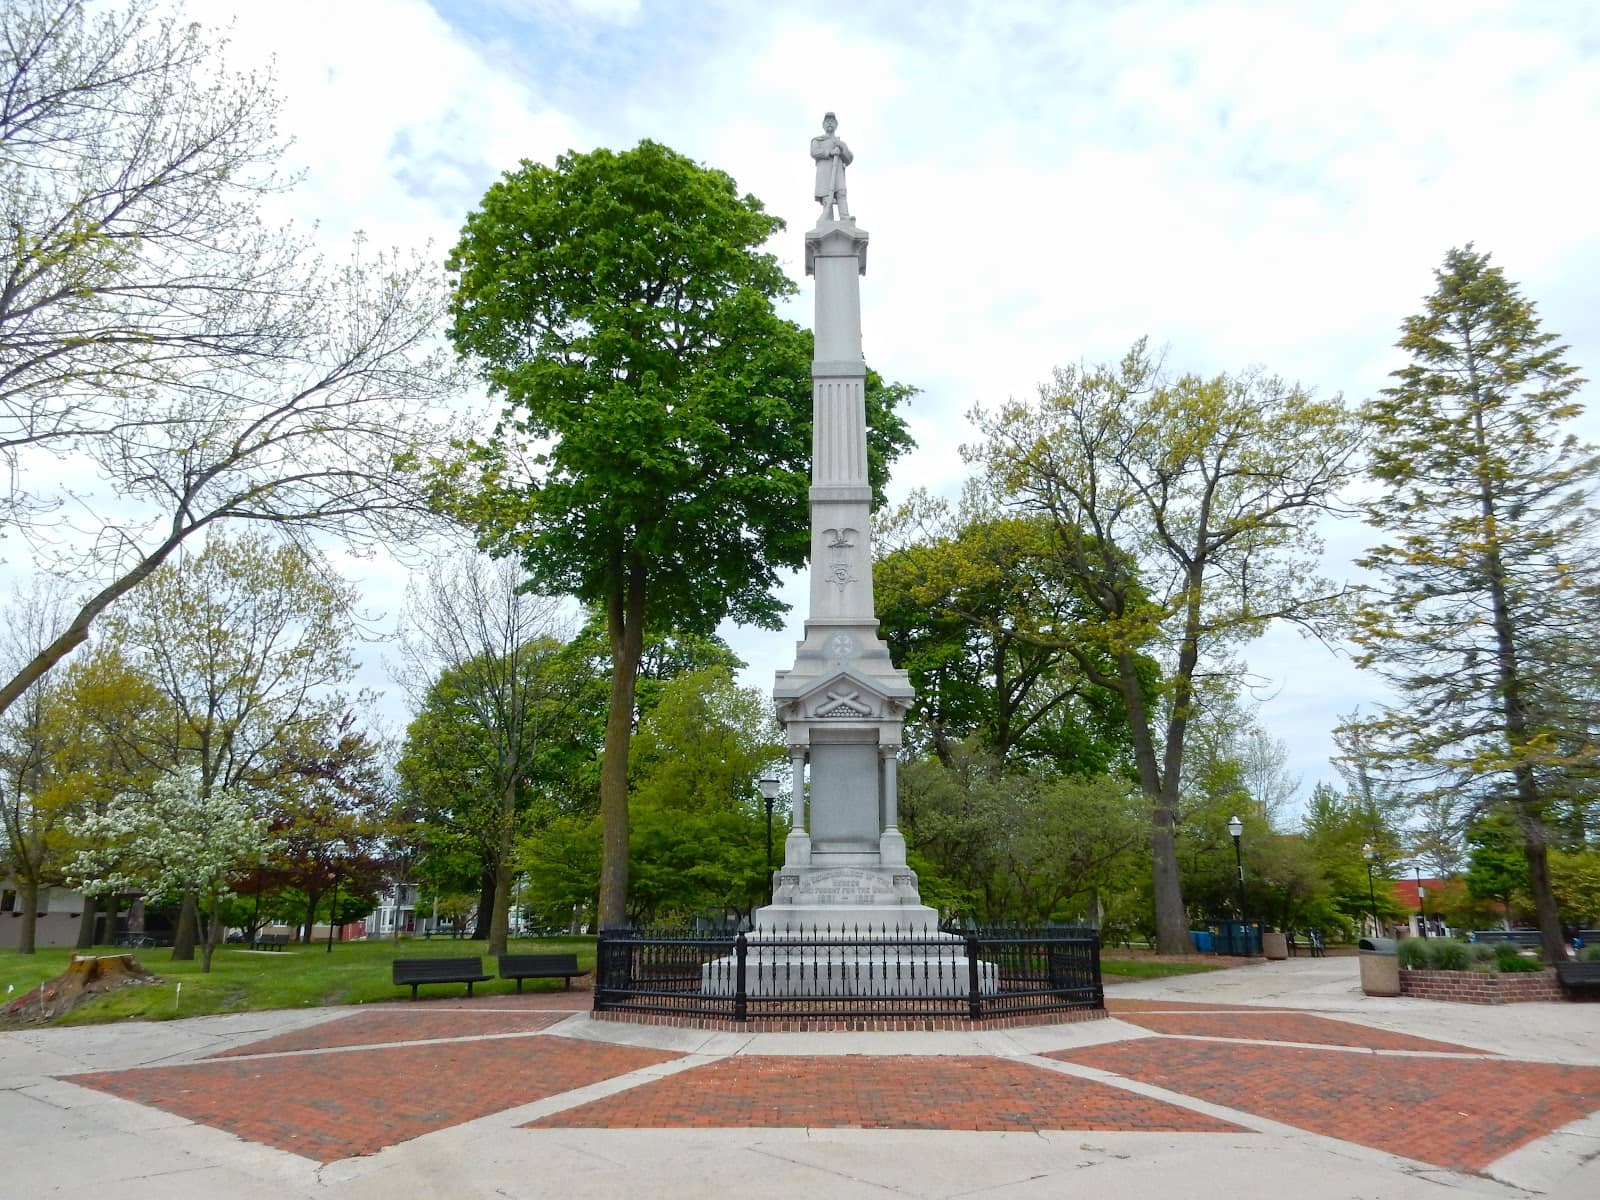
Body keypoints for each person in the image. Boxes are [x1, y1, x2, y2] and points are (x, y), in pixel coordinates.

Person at [811, 111, 853, 221]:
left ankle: (845, 217)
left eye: (832, 121)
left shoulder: (840, 142)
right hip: (824, 172)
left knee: (841, 193)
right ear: (823, 125)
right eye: (827, 121)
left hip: (838, 171)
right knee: (827, 197)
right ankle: (828, 220)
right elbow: (814, 152)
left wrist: (842, 148)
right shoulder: (817, 140)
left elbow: (849, 158)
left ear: (836, 124)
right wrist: (829, 152)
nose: (830, 123)